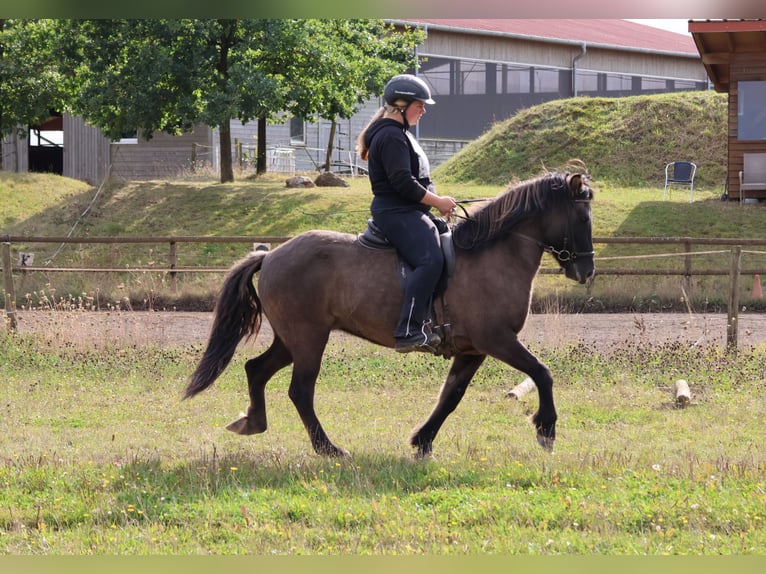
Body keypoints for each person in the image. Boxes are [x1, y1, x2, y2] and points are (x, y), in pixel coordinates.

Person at [356, 74, 457, 353]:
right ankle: (408, 330)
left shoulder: (400, 134)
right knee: (430, 260)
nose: (423, 111)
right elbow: (402, 182)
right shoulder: (390, 136)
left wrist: (437, 203)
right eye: (420, 105)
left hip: (408, 209)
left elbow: (418, 180)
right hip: (396, 211)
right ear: (400, 106)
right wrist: (436, 201)